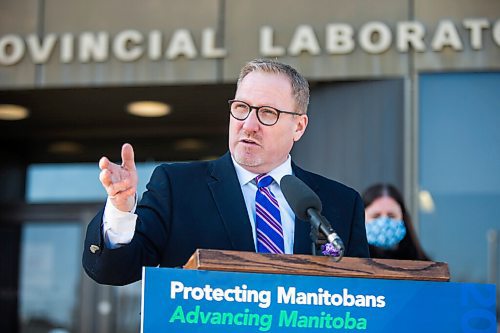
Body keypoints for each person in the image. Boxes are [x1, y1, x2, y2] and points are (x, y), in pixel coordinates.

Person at [82, 59, 369, 286]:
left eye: (267, 112)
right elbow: (115, 270)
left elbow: (361, 298)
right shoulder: (177, 186)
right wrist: (120, 210)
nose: (249, 124)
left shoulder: (339, 203)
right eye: (242, 108)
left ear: (299, 126)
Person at [362, 183, 429, 261]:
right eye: (376, 216)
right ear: (361, 218)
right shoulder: (347, 260)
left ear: (403, 218)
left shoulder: (426, 267)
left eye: (391, 216)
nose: (384, 222)